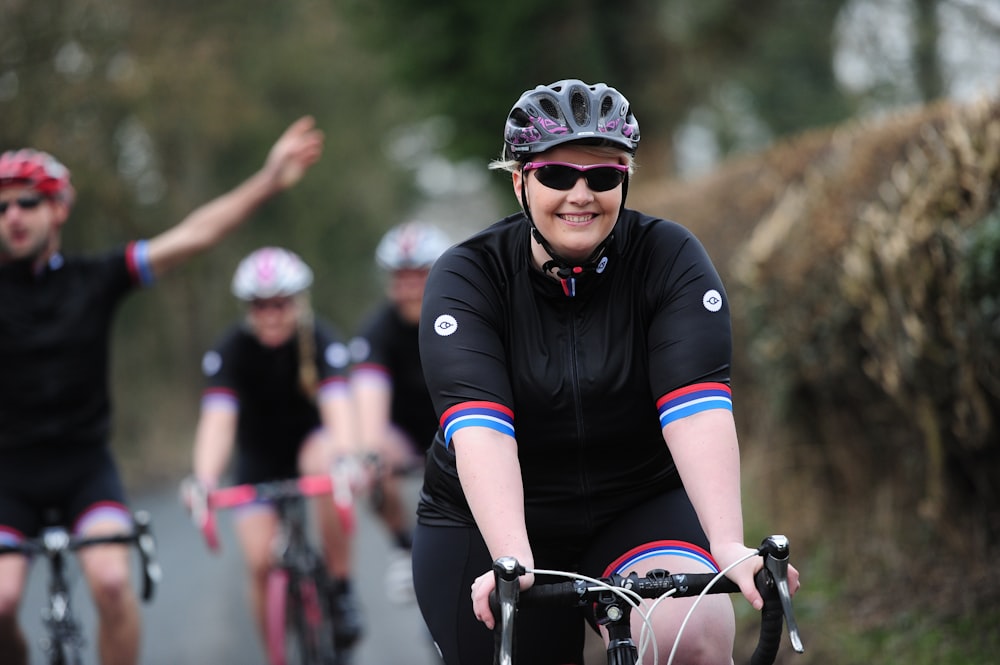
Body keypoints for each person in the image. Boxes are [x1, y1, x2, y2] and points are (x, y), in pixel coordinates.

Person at [411, 79, 801, 665]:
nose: (580, 195)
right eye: (557, 175)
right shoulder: (468, 277)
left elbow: (696, 407)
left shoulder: (669, 259)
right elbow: (481, 429)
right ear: (520, 181)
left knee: (691, 637)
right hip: (490, 520)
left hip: (635, 501)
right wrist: (512, 558)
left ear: (625, 180)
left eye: (603, 176)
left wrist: (726, 543)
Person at [0, 117, 323, 665]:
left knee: (108, 581)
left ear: (58, 209)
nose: (12, 217)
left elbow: (194, 236)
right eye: (1, 207)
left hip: (85, 468)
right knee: (2, 600)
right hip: (9, 473)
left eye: (27, 202)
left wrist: (268, 180)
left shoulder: (96, 277)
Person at [189, 247, 363, 650]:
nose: (270, 314)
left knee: (327, 460)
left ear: (298, 301)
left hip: (313, 452)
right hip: (258, 462)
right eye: (259, 305)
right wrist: (205, 478)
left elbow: (340, 408)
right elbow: (218, 421)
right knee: (260, 562)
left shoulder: (320, 338)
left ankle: (340, 588)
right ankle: (275, 653)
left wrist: (349, 457)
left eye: (280, 304)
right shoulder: (231, 349)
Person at [349, 220, 451, 602]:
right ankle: (402, 545)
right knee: (372, 455)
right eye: (399, 277)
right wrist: (370, 450)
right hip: (403, 434)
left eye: (419, 275)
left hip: (457, 424)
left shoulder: (463, 313)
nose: (408, 287)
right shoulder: (377, 330)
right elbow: (368, 391)